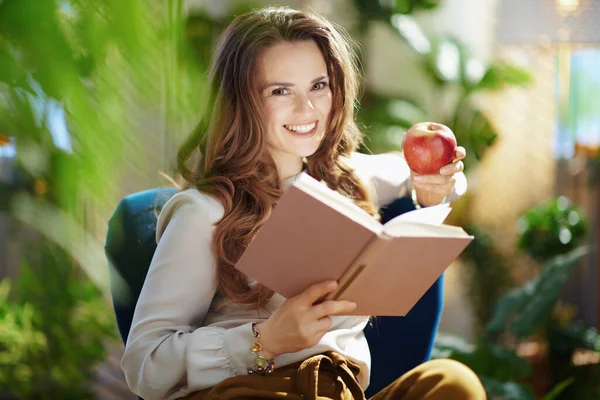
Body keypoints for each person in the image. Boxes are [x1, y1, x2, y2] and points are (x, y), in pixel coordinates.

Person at [121, 6, 485, 400]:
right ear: (242, 100)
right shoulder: (206, 213)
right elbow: (144, 364)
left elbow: (415, 176)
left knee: (453, 383)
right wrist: (264, 339)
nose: (307, 109)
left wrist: (433, 185)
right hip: (253, 391)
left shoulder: (346, 178)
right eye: (281, 91)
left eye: (319, 85)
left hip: (338, 389)